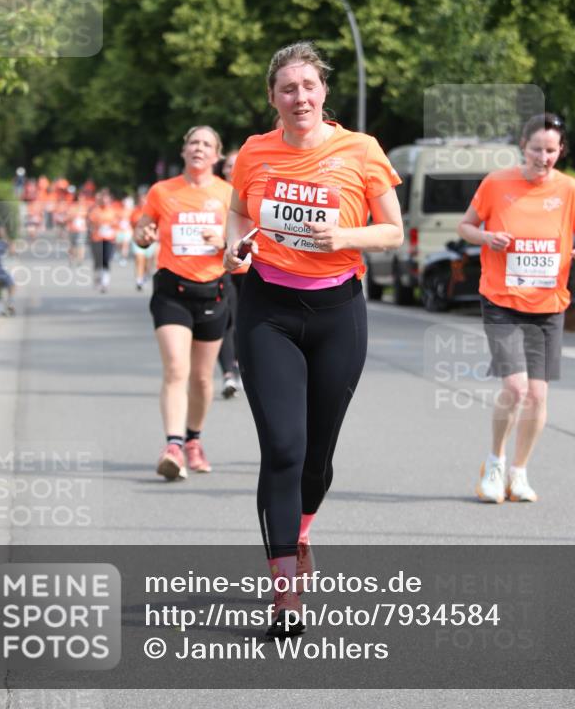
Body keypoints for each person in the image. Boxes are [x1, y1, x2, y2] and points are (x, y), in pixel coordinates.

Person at [223, 42, 403, 638]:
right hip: (268, 311)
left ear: (323, 92)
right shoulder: (254, 152)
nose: (299, 97)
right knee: (283, 448)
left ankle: (301, 531)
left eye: (308, 86)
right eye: (286, 89)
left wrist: (343, 234)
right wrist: (236, 245)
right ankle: (285, 595)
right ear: (272, 98)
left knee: (317, 459)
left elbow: (394, 231)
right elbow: (237, 214)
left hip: (338, 313)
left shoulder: (361, 150)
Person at [458, 113, 575, 504]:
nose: (543, 157)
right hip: (502, 300)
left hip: (549, 305)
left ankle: (519, 472)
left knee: (537, 395)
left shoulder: (571, 189)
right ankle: (495, 461)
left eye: (551, 150)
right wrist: (486, 236)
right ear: (524, 146)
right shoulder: (497, 183)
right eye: (536, 149)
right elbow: (465, 226)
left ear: (560, 152)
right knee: (515, 387)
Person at [134, 126, 233, 480]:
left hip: (212, 291)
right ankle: (173, 446)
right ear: (184, 150)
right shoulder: (163, 192)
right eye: (193, 142)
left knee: (203, 379)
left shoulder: (228, 193)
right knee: (177, 368)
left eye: (207, 144)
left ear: (217, 155)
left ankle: (193, 440)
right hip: (171, 291)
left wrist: (223, 239)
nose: (199, 148)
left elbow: (244, 249)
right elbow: (142, 233)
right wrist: (143, 235)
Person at [218, 149, 248, 398]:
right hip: (223, 266)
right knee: (227, 320)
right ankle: (229, 372)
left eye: (237, 165)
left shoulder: (256, 187)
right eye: (229, 166)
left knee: (246, 321)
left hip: (253, 267)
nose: (232, 170)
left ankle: (242, 365)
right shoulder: (215, 191)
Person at [87, 189, 119, 292]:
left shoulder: (113, 211)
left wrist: (113, 228)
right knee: (98, 260)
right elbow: (90, 223)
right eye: (103, 200)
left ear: (109, 200)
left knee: (106, 259)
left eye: (107, 200)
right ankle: (97, 277)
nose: (105, 202)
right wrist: (94, 228)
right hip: (97, 238)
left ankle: (105, 281)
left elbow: (117, 224)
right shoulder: (95, 211)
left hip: (109, 238)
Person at [130, 190, 157, 291]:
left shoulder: (153, 212)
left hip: (150, 240)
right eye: (141, 200)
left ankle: (145, 274)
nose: (143, 202)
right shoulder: (135, 212)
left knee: (148, 261)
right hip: (138, 240)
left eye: (145, 200)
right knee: (139, 259)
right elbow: (131, 224)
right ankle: (139, 280)